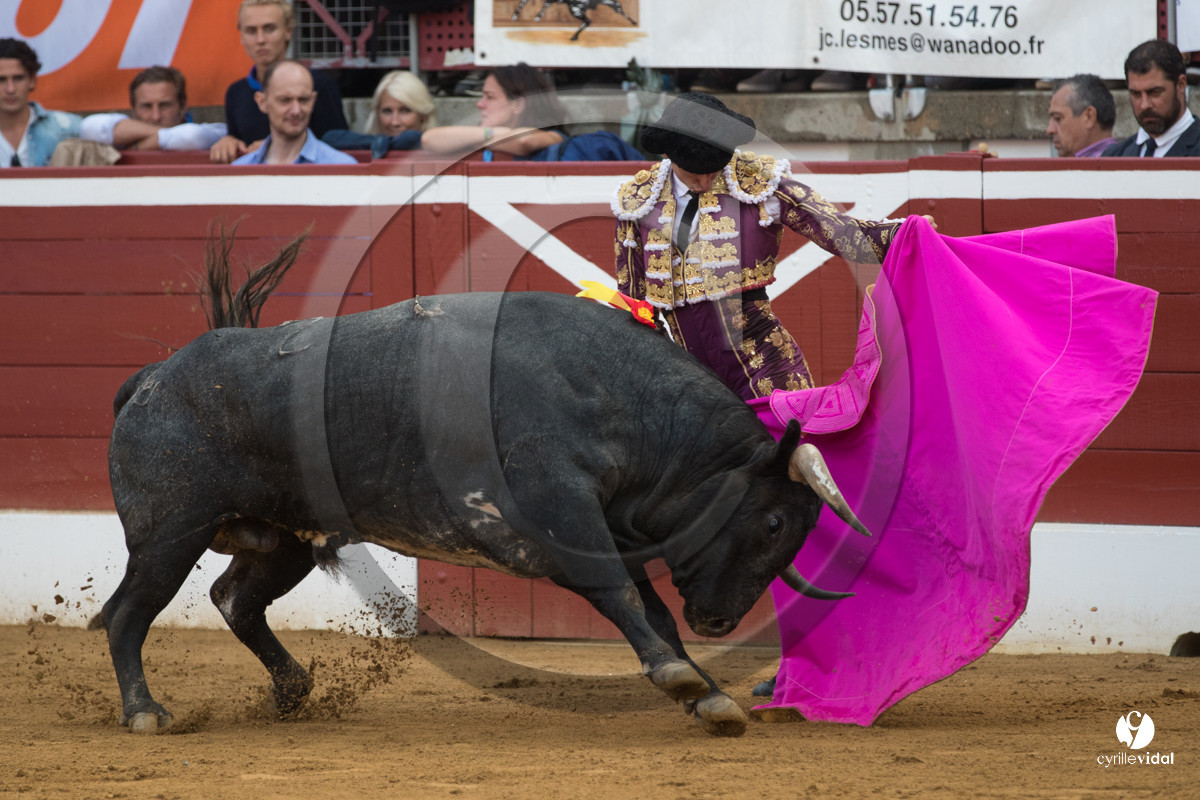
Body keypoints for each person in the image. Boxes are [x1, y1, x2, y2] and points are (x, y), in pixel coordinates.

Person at [614, 92, 919, 402]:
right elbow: (633, 299)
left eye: (713, 171)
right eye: (695, 174)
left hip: (765, 360)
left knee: (794, 443)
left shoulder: (759, 181)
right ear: (669, 156)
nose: (705, 183)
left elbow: (835, 229)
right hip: (689, 376)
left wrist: (904, 233)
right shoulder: (639, 200)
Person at [211, 0, 348, 163]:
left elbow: (339, 142)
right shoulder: (236, 92)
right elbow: (238, 143)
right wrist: (229, 141)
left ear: (288, 31)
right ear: (241, 36)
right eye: (251, 30)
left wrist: (277, 147)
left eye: (269, 29)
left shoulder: (319, 84)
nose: (260, 39)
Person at [420, 63, 568, 160]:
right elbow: (429, 139)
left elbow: (524, 141)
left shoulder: (554, 136)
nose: (480, 104)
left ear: (517, 104)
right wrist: (490, 134)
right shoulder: (484, 135)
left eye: (490, 97)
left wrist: (488, 135)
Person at [231, 60, 356, 165]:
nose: (296, 111)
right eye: (285, 100)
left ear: (313, 101)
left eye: (303, 100)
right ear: (262, 102)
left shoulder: (341, 166)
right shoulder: (239, 170)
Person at [79, 66, 227, 151]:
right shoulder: (123, 137)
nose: (155, 116)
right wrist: (157, 138)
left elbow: (191, 137)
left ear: (183, 106)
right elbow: (88, 127)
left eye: (164, 105)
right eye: (146, 106)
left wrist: (136, 148)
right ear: (133, 109)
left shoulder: (212, 132)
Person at [1104, 39, 1200, 157]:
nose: (1144, 105)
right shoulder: (1114, 156)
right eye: (1136, 94)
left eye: (1155, 92)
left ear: (1180, 85)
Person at [0, 38, 81, 167]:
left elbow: (109, 132)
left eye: (18, 78)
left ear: (32, 80)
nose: (10, 89)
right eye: (1, 80)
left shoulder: (64, 127)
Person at [322, 69, 436, 158]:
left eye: (405, 111)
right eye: (387, 111)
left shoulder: (441, 154)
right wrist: (387, 143)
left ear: (423, 115)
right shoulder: (366, 148)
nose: (394, 122)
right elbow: (330, 138)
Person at [1045, 74, 1118, 157]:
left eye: (1058, 118)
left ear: (1089, 117)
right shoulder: (1123, 160)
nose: (1049, 129)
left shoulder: (1101, 166)